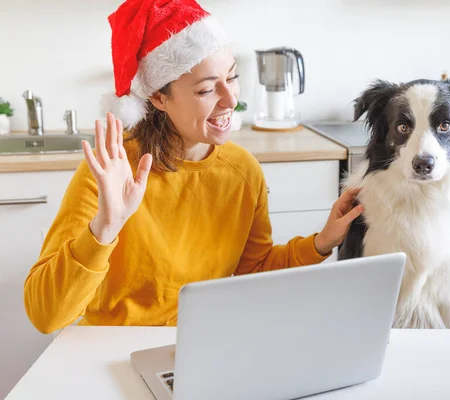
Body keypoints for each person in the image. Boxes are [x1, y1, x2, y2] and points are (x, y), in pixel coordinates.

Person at [23, 0, 363, 334]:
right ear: (158, 97)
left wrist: (321, 242)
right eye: (206, 89)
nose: (231, 100)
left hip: (199, 343)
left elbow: (255, 271)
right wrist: (105, 225)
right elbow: (46, 316)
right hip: (110, 347)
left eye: (232, 77)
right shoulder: (112, 171)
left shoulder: (242, 171)